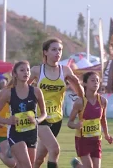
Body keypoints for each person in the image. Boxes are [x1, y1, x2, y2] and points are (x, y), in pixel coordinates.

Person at [29, 38, 83, 168]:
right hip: (41, 117)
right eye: (54, 49)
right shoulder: (37, 70)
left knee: (39, 158)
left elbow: (80, 94)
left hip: (57, 119)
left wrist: (76, 82)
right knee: (55, 149)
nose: (57, 52)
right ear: (45, 52)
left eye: (60, 50)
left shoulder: (65, 70)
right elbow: (21, 89)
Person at [0, 61, 47, 168]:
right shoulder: (8, 93)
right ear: (15, 74)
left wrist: (37, 120)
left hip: (31, 133)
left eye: (28, 70)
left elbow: (44, 113)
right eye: (22, 70)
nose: (26, 72)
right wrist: (7, 121)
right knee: (27, 166)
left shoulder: (36, 91)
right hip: (15, 133)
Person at [68, 71, 113, 168]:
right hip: (82, 140)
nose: (96, 83)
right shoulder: (80, 102)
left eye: (97, 80)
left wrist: (107, 135)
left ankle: (76, 165)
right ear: (85, 83)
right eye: (92, 80)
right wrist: (76, 125)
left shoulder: (102, 101)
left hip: (96, 140)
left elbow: (103, 119)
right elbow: (69, 122)